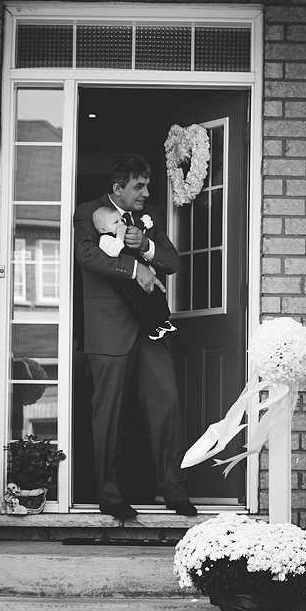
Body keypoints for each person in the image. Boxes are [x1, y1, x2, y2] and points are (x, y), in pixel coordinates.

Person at [73, 152, 197, 520]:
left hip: (151, 329)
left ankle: (173, 491)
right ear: (118, 188)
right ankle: (109, 495)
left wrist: (146, 245)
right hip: (108, 328)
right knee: (107, 414)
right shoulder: (88, 211)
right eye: (138, 186)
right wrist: (134, 271)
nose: (145, 192)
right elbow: (86, 255)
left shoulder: (152, 217)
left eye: (147, 186)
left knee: (168, 404)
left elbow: (173, 262)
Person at [92, 204, 177, 341]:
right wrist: (120, 236)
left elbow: (136, 253)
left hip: (145, 275)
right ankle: (152, 328)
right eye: (116, 222)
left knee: (158, 294)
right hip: (126, 281)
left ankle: (164, 320)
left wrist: (148, 267)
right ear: (103, 229)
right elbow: (112, 253)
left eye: (121, 220)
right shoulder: (105, 239)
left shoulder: (124, 234)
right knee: (141, 303)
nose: (121, 224)